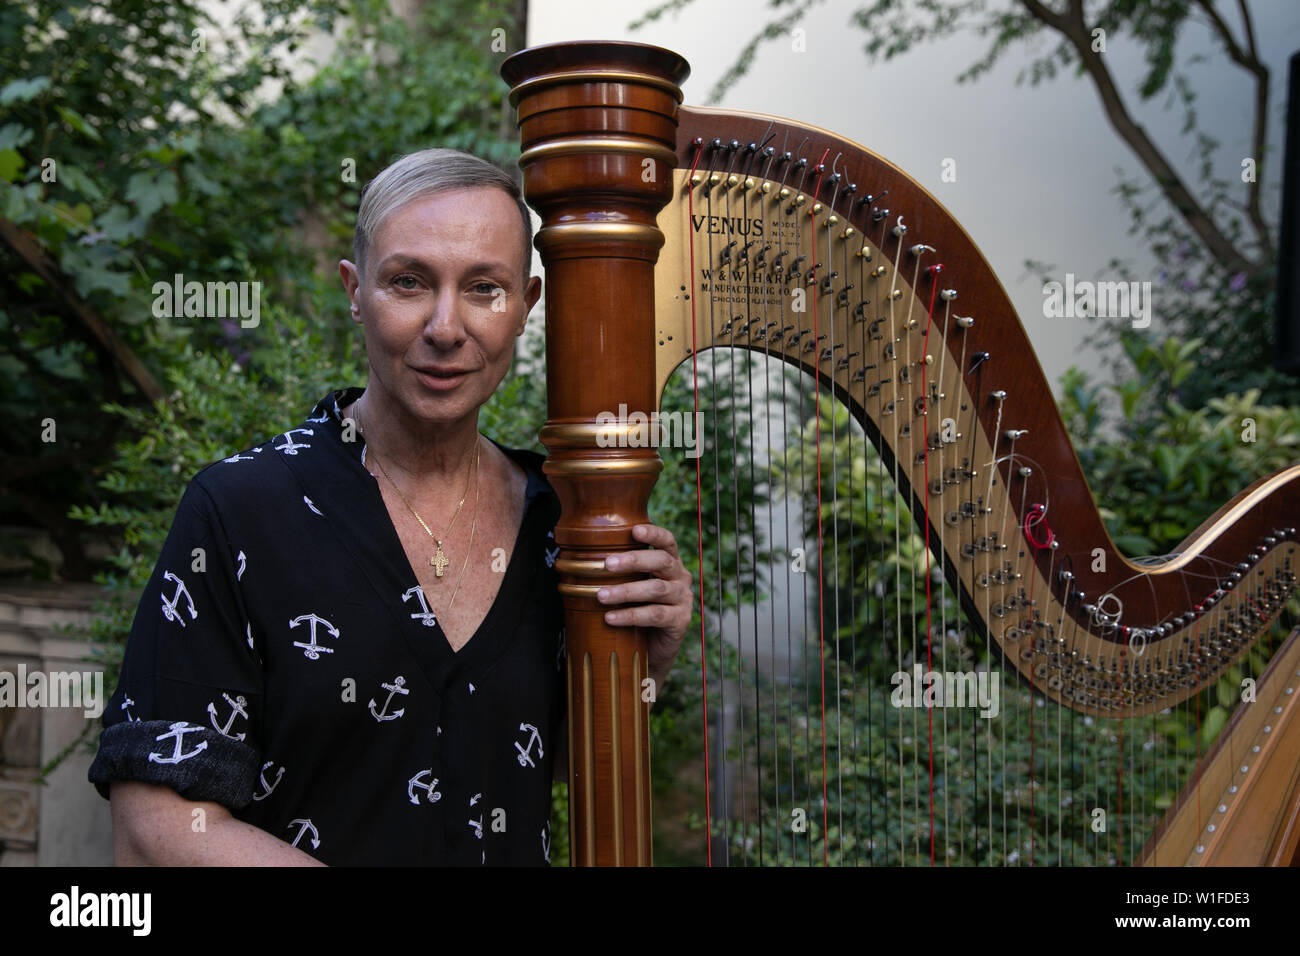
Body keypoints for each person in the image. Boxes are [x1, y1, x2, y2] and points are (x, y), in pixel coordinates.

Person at [88, 148, 694, 866]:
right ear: (354, 291)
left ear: (527, 306)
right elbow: (157, 823)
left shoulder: (561, 525)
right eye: (408, 282)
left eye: (483, 288)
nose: (445, 326)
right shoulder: (241, 511)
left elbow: (543, 761)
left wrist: (641, 666)